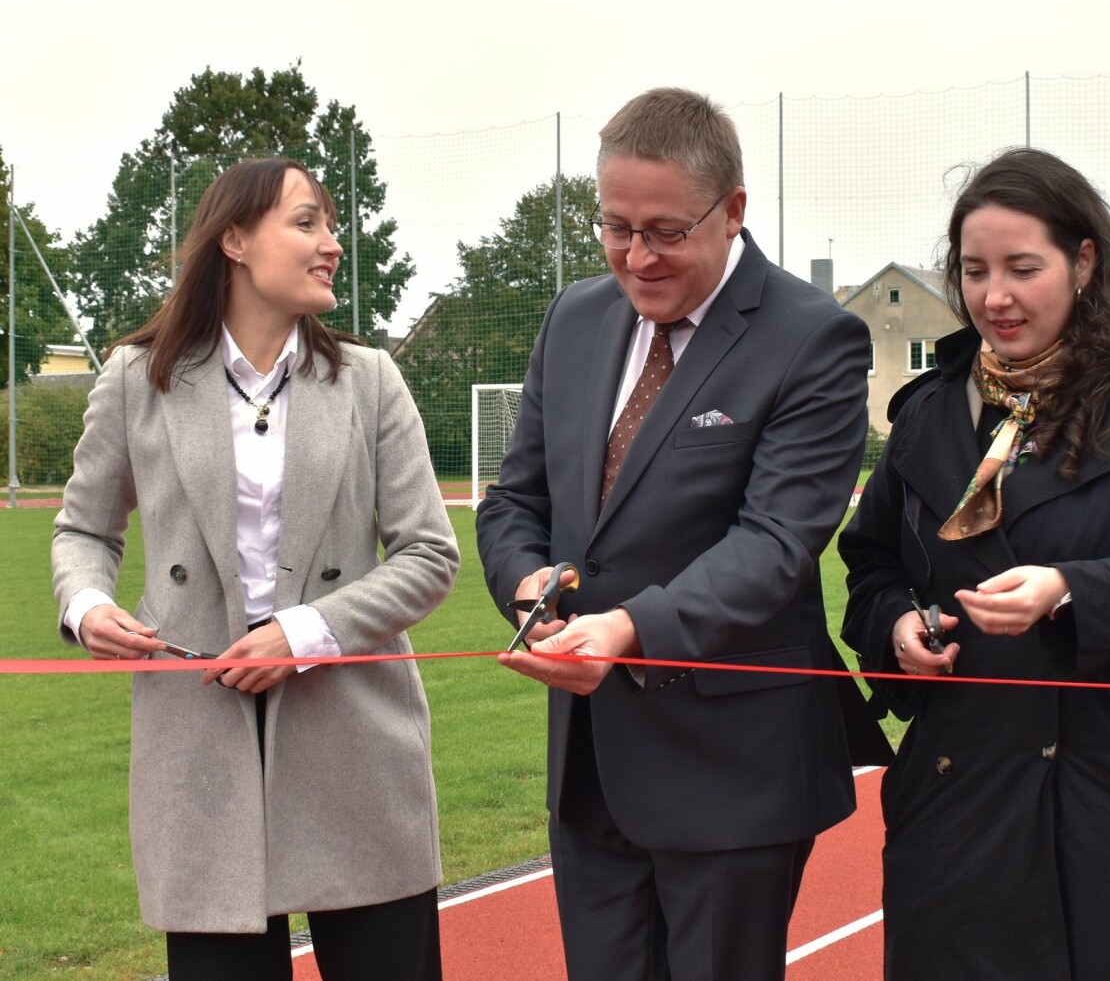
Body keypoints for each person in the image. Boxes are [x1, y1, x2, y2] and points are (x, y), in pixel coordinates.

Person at [475, 87, 889, 981]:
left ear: (733, 210)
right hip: (590, 769)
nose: (636, 255)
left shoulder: (814, 338)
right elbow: (515, 501)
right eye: (614, 227)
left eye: (664, 231)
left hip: (731, 771)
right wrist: (525, 586)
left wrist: (627, 630)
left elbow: (775, 544)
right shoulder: (575, 319)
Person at [839, 147, 1110, 980]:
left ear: (1083, 261)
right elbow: (872, 568)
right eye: (974, 270)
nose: (994, 296)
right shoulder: (926, 415)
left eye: (1022, 268)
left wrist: (1071, 589)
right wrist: (896, 626)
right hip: (963, 813)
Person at [51, 157, 459, 981]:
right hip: (197, 736)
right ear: (234, 239)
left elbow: (428, 553)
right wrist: (87, 603)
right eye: (307, 222)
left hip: (355, 731)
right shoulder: (138, 377)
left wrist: (303, 633)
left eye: (331, 225)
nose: (332, 244)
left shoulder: (371, 379)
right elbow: (82, 530)